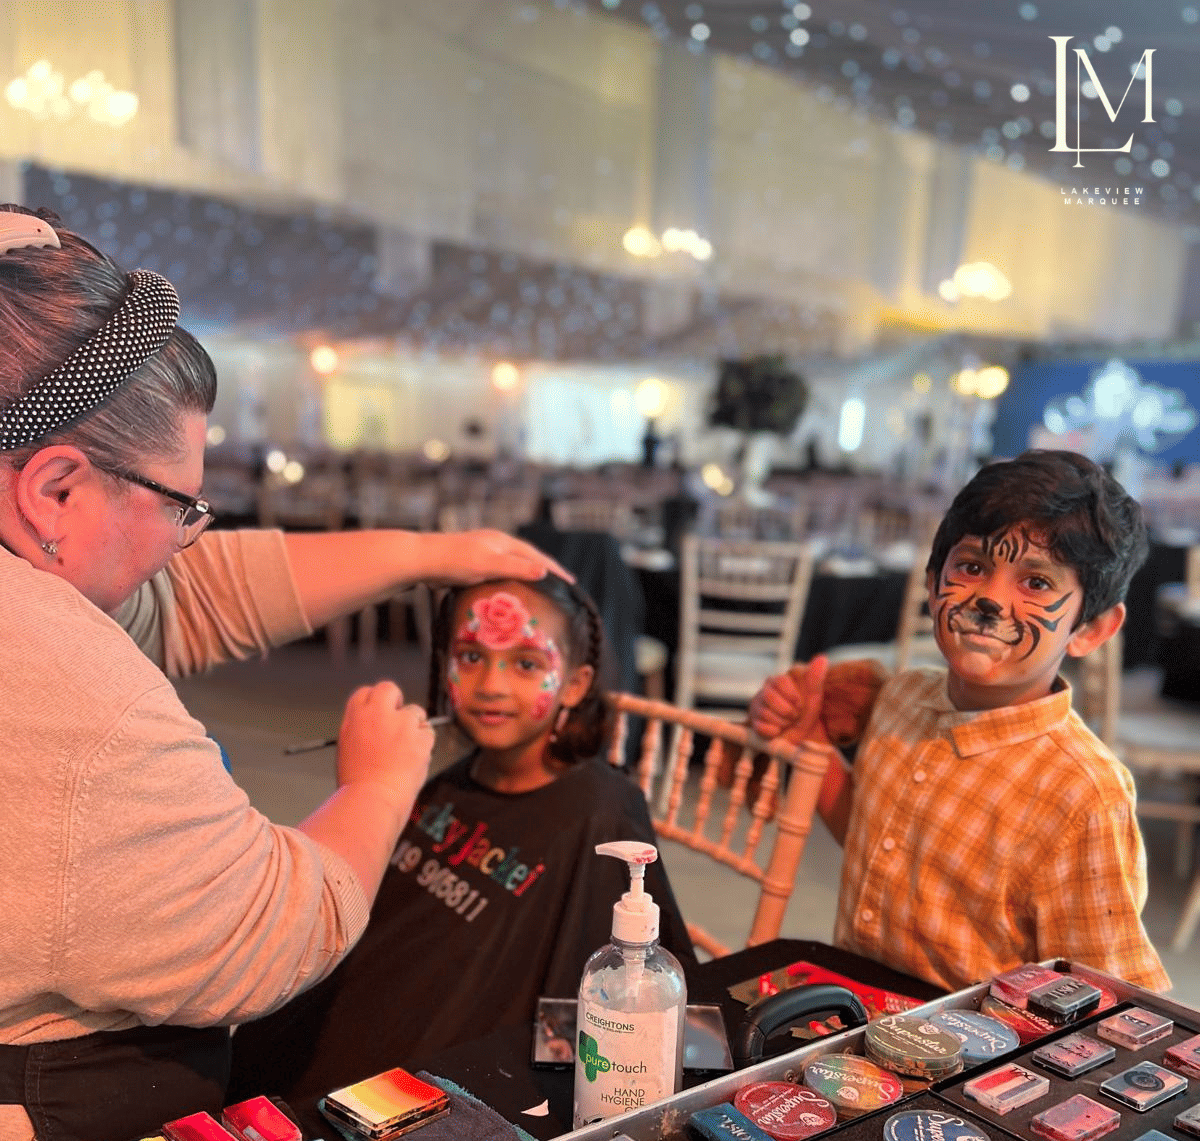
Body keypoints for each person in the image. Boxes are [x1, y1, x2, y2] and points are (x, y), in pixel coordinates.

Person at [0, 205, 570, 1141]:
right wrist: (378, 784)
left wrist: (431, 554)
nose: (189, 540)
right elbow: (271, 930)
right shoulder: (58, 676)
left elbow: (189, 596)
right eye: (181, 506)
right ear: (53, 489)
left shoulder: (39, 573)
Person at [230, 575, 695, 1102]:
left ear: (575, 683)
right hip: (341, 1029)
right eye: (471, 656)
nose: (491, 685)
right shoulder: (447, 779)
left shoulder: (599, 814)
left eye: (525, 664)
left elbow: (607, 1021)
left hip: (428, 1082)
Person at [749, 449, 1170, 994]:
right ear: (931, 583)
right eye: (972, 567)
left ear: (1090, 629)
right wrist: (812, 742)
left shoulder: (1083, 796)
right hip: (856, 1022)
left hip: (977, 1063)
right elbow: (872, 838)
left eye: (1036, 582)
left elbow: (1110, 1000)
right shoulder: (901, 700)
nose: (991, 599)